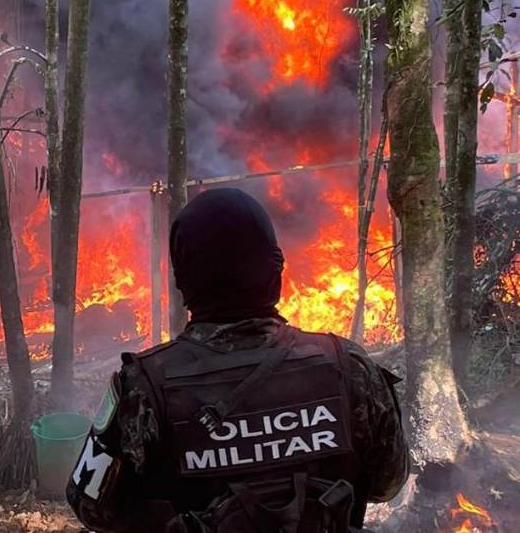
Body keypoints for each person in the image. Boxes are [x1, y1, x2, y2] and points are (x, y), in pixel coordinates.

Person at [66, 188, 409, 533]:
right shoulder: (347, 365)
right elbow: (387, 483)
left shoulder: (142, 386)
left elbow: (92, 507)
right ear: (275, 270)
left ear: (183, 281)